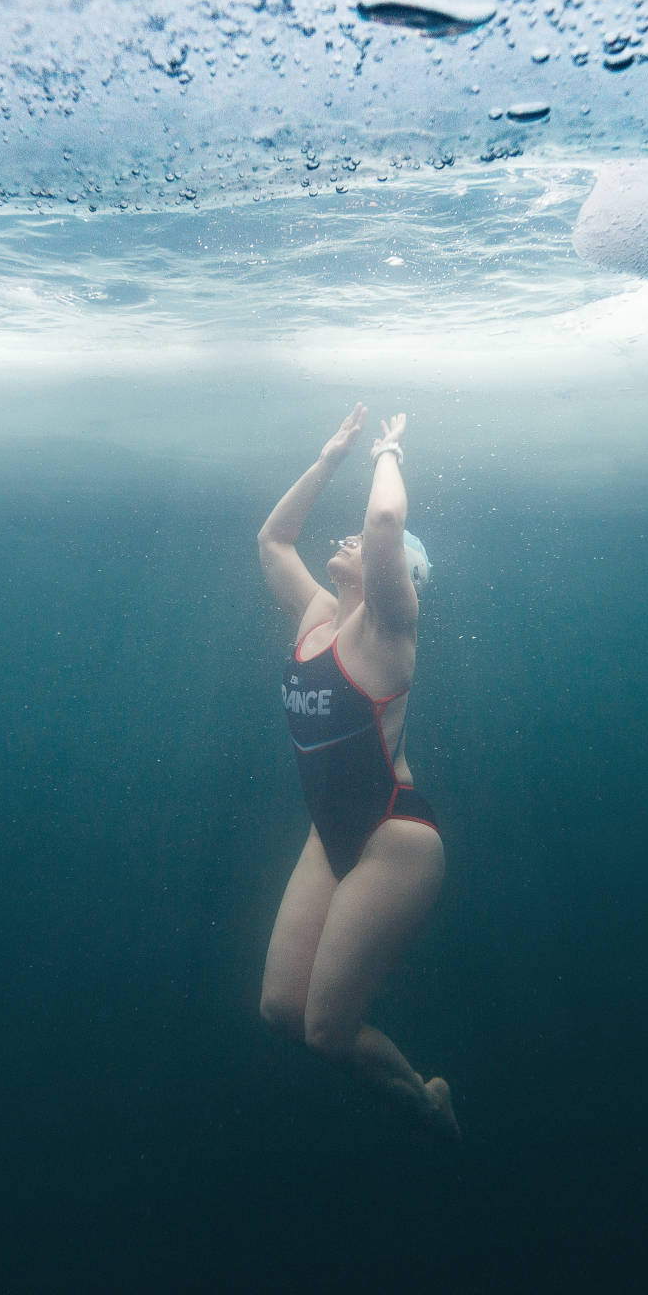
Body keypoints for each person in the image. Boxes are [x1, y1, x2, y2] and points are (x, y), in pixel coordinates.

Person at [256, 403, 459, 1138]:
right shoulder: (314, 614)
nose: (348, 536)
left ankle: (423, 1100)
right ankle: (410, 1096)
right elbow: (273, 540)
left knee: (326, 1032)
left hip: (392, 840)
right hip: (330, 834)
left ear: (393, 577)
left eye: (375, 549)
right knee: (280, 1010)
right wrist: (328, 458)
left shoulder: (388, 630)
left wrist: (388, 452)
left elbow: (380, 529)